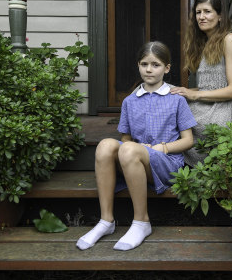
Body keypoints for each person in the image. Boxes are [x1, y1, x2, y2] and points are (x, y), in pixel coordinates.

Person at [76, 41, 197, 251]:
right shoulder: (129, 101)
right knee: (105, 145)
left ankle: (141, 221)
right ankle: (106, 221)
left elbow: (189, 141)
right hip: (136, 161)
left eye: (156, 64)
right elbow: (125, 139)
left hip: (167, 164)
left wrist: (162, 148)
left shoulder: (176, 99)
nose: (149, 69)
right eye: (144, 64)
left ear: (167, 68)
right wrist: (135, 150)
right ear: (138, 65)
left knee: (130, 149)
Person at [170, 0, 232, 167]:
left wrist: (194, 95)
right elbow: (207, 86)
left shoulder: (229, 40)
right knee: (159, 92)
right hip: (205, 105)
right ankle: (151, 154)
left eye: (207, 11)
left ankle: (156, 155)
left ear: (220, 16)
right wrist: (183, 91)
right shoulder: (205, 44)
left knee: (167, 107)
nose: (201, 17)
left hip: (219, 111)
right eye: (198, 12)